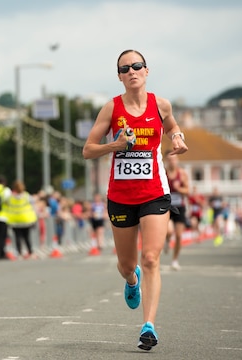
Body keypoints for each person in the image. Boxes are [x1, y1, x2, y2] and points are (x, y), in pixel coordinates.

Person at [82, 49, 188, 351]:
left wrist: (178, 138)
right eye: (125, 68)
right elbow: (88, 149)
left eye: (137, 66)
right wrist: (115, 144)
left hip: (154, 192)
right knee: (127, 264)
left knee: (152, 257)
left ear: (146, 70)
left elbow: (171, 125)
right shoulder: (111, 109)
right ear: (119, 76)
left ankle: (148, 326)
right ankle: (131, 281)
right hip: (120, 196)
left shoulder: (161, 104)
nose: (132, 71)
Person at [163, 150, 190, 271]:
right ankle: (167, 240)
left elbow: (188, 191)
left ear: (177, 160)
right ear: (166, 161)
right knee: (168, 231)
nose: (172, 161)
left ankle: (175, 260)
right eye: (169, 159)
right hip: (167, 206)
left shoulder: (182, 174)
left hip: (179, 206)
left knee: (179, 236)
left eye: (174, 159)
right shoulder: (163, 173)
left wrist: (180, 189)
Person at [6, 180, 38, 259]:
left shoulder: (11, 197)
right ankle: (30, 252)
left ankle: (19, 253)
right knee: (27, 237)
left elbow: (6, 204)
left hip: (15, 220)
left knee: (17, 237)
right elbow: (33, 207)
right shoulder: (27, 196)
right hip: (26, 219)